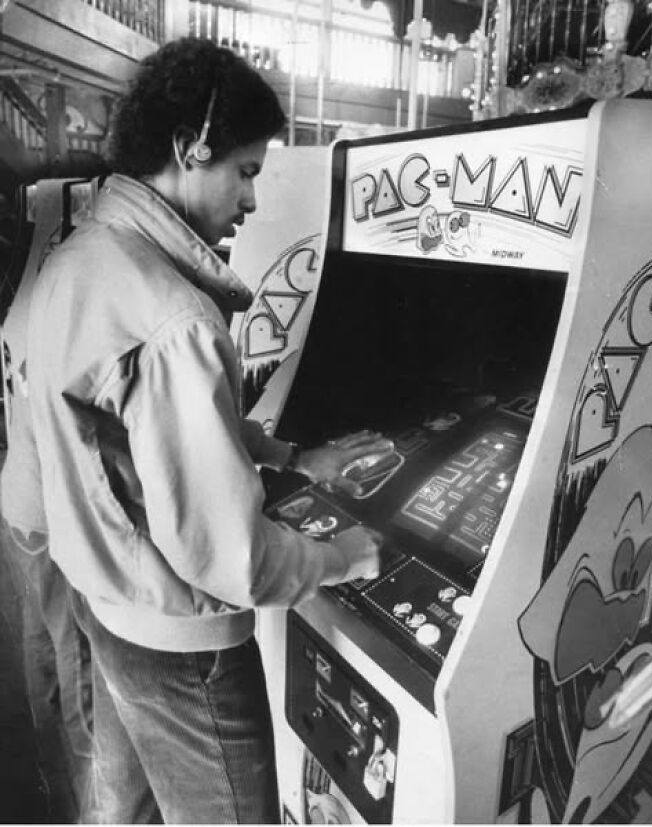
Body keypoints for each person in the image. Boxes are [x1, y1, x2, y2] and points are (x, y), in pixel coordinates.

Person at [24, 36, 391, 824]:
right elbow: (228, 557)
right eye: (247, 171)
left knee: (122, 806)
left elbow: (129, 430)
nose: (252, 201)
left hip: (107, 601)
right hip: (182, 648)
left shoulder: (81, 258)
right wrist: (341, 557)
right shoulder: (174, 316)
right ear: (193, 151)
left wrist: (292, 456)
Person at [1, 180, 94, 823]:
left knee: (39, 651)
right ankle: (88, 804)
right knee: (79, 671)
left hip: (17, 502)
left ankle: (50, 785)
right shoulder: (82, 285)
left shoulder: (30, 278)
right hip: (52, 515)